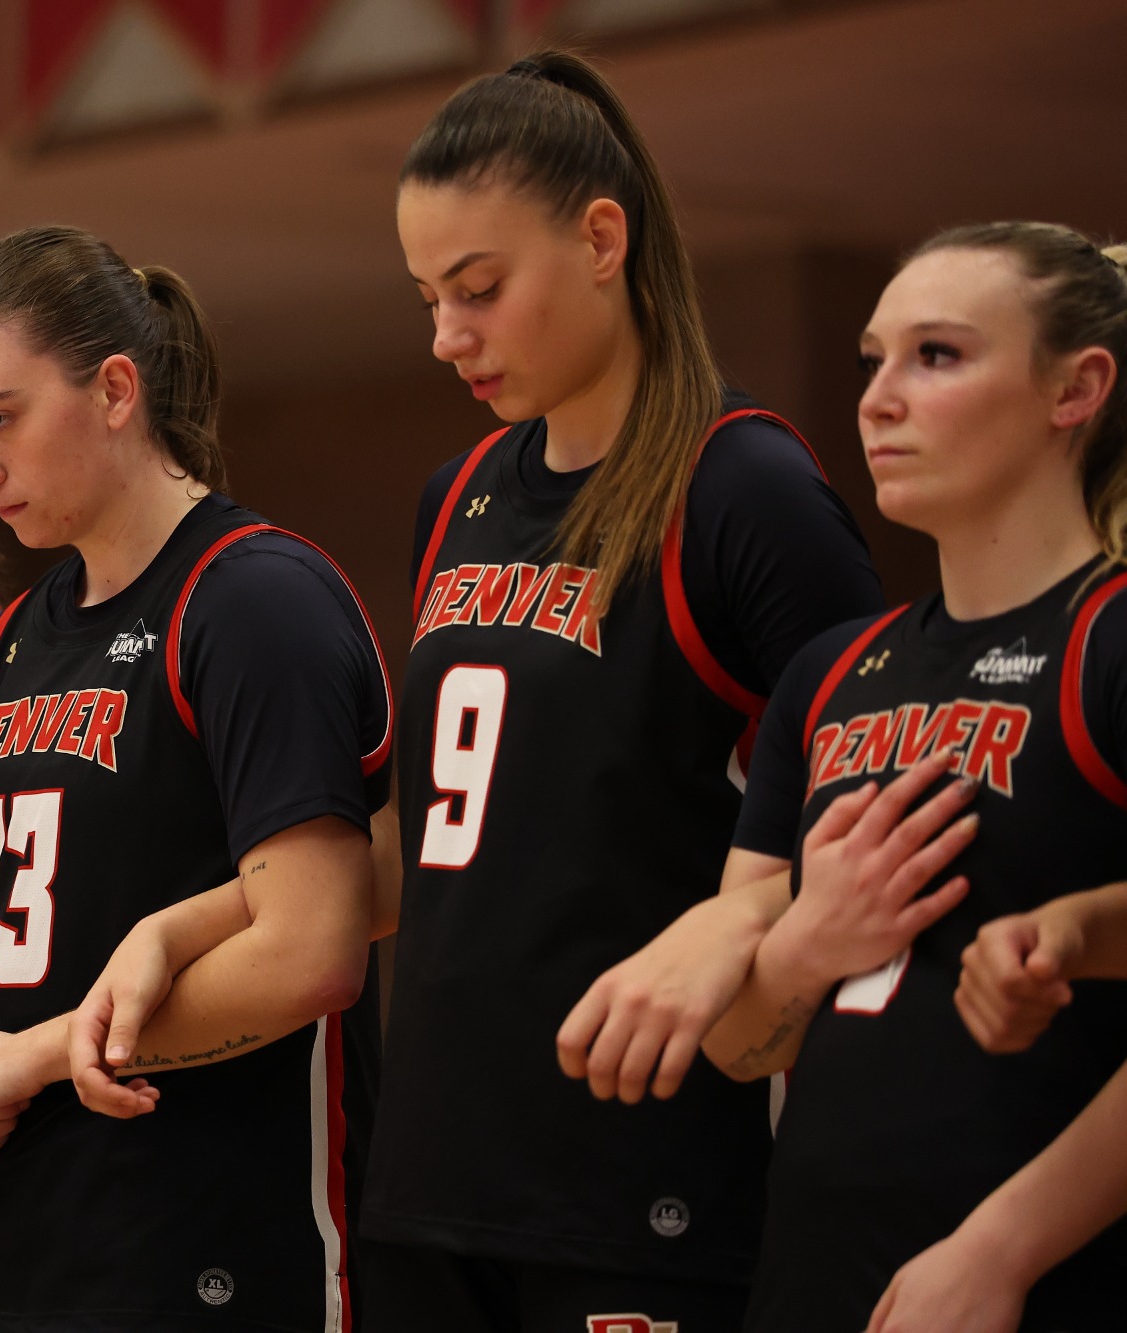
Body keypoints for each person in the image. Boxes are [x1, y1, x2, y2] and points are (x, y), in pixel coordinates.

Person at [344, 50, 885, 1331]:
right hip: (430, 1172)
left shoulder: (741, 488)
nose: (445, 336)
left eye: (476, 289)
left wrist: (730, 931)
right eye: (427, 297)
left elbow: (878, 801)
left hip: (643, 1175)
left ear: (600, 238)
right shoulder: (455, 496)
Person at [0, 224, 394, 1333]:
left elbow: (311, 952)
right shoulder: (2, 644)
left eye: (0, 420)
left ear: (114, 390)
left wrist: (32, 1058)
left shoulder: (253, 601)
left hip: (196, 1254)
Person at [699, 222, 1127, 1333]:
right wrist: (803, 944)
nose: (876, 398)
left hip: (1030, 1284)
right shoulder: (826, 673)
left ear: (1073, 389)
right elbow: (735, 1042)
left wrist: (1000, 1247)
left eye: (933, 355)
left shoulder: (1110, 640)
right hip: (815, 1282)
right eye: (870, 359)